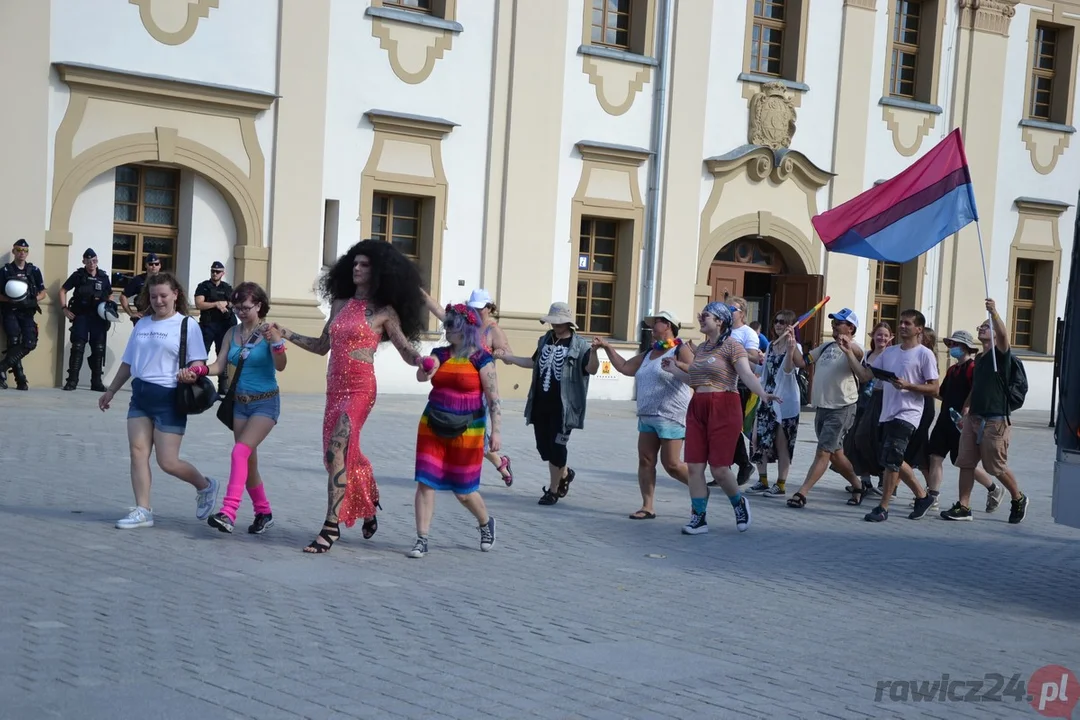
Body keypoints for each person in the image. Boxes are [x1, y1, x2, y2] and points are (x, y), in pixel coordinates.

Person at [275, 239, 428, 553]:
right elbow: (321, 347)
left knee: (337, 449)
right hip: (334, 387)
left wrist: (424, 361)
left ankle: (330, 528)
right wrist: (285, 332)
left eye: (365, 265)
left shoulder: (384, 312)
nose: (358, 269)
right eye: (355, 264)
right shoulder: (339, 304)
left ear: (379, 272)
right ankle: (369, 501)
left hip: (360, 388)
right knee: (343, 456)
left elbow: (405, 350)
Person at [97, 272, 219, 529]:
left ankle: (205, 485)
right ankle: (143, 510)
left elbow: (197, 362)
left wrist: (191, 372)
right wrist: (111, 391)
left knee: (168, 462)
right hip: (140, 396)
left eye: (164, 295)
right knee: (137, 453)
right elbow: (128, 362)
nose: (159, 301)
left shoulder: (187, 325)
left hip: (169, 398)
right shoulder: (142, 324)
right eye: (153, 296)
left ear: (176, 294)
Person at [660, 302, 779, 535]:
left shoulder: (733, 346)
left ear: (719, 321)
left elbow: (745, 373)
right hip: (698, 407)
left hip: (724, 405)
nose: (700, 318)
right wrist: (674, 370)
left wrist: (762, 393)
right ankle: (698, 518)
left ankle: (739, 504)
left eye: (706, 315)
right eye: (700, 314)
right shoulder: (702, 348)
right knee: (694, 466)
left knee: (719, 469)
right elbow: (695, 382)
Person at [184, 282, 286, 535]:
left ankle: (228, 512)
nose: (241, 311)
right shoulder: (232, 332)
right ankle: (264, 512)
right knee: (248, 462)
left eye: (246, 307)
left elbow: (281, 365)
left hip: (265, 402)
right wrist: (201, 370)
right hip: (240, 404)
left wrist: (277, 344)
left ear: (259, 306)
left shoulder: (269, 331)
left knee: (239, 453)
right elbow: (220, 365)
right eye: (237, 307)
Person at [407, 303, 501, 558]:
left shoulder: (482, 359)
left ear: (466, 330)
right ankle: (422, 538)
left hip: (468, 430)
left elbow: (493, 398)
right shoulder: (440, 353)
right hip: (432, 425)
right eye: (446, 325)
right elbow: (423, 376)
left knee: (464, 491)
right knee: (426, 483)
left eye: (451, 326)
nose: (446, 330)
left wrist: (496, 432)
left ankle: (485, 523)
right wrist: (424, 367)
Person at [495, 301, 600, 506]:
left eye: (558, 322)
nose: (554, 325)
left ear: (568, 323)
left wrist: (595, 352)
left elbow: (592, 369)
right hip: (541, 404)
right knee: (544, 448)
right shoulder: (544, 340)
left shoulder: (580, 346)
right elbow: (533, 362)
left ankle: (552, 491)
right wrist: (509, 358)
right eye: (552, 322)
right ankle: (565, 473)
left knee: (557, 448)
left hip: (564, 408)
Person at [593, 310, 693, 519]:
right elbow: (624, 367)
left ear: (668, 326)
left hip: (671, 414)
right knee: (646, 460)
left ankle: (700, 490)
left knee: (672, 465)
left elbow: (695, 372)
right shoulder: (649, 353)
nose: (652, 325)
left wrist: (678, 365)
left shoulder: (679, 349)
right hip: (647, 415)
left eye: (657, 322)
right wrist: (607, 347)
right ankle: (647, 506)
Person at [844, 309, 938, 522]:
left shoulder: (925, 354)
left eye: (907, 323)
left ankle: (883, 507)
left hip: (909, 413)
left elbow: (934, 388)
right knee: (891, 457)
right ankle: (923, 497)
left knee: (891, 459)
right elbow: (866, 375)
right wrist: (848, 352)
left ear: (919, 329)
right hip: (887, 412)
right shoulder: (890, 352)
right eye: (901, 322)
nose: (902, 326)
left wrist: (908, 386)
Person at [941, 301, 1030, 523]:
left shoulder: (1000, 355)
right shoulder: (980, 359)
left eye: (985, 326)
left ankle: (1018, 498)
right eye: (980, 326)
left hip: (996, 418)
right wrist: (967, 407)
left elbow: (1003, 336)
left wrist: (994, 313)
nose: (981, 329)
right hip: (974, 417)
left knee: (994, 466)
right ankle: (963, 506)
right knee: (966, 462)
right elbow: (976, 387)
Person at [422, 287, 513, 485]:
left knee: (476, 436)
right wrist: (422, 294)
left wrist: (500, 353)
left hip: (477, 389)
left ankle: (496, 465)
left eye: (480, 308)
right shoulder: (462, 323)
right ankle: (500, 464)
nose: (477, 311)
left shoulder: (493, 330)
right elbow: (439, 311)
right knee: (471, 435)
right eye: (473, 308)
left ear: (489, 307)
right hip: (457, 386)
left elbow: (507, 353)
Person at [787, 309, 867, 508]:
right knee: (835, 453)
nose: (834, 325)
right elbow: (801, 362)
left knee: (823, 452)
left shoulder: (856, 348)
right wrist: (792, 341)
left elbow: (858, 358)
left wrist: (848, 348)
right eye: (834, 321)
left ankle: (802, 493)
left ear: (851, 327)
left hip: (842, 408)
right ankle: (858, 485)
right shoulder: (826, 347)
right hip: (822, 407)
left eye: (839, 322)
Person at [924, 329, 1003, 514]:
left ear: (966, 347)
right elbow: (942, 393)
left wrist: (966, 412)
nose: (952, 348)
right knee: (935, 456)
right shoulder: (952, 369)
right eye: (951, 344)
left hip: (962, 423)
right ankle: (933, 496)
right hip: (944, 419)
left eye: (956, 344)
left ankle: (994, 488)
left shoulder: (973, 368)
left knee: (963, 463)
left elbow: (976, 392)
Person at [748, 309, 802, 498]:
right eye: (776, 321)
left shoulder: (796, 347)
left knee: (782, 443)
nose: (778, 325)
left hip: (785, 401)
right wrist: (744, 361)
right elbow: (764, 371)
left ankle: (780, 484)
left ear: (790, 325)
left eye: (782, 322)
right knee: (757, 439)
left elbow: (788, 371)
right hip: (767, 396)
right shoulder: (771, 345)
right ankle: (762, 480)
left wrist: (790, 350)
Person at [844, 321, 894, 497]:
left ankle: (885, 480)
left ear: (891, 338)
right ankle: (864, 480)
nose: (882, 338)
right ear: (873, 336)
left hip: (881, 402)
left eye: (885, 335)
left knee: (876, 441)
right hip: (862, 401)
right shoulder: (867, 354)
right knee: (856, 441)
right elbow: (858, 375)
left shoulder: (891, 355)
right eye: (879, 334)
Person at [59, 248, 113, 392]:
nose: (92, 264)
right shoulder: (78, 276)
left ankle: (96, 382)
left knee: (98, 348)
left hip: (98, 318)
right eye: (88, 261)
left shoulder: (103, 277)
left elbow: (109, 295)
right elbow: (63, 290)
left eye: (94, 261)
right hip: (81, 316)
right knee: (77, 347)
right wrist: (64, 308)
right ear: (84, 262)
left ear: (97, 261)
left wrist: (109, 308)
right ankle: (72, 381)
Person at [0, 239, 47, 390]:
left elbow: (43, 293)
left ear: (28, 253)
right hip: (10, 311)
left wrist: (32, 300)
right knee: (14, 341)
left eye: (25, 250)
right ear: (14, 251)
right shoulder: (5, 271)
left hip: (27, 313)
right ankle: (20, 379)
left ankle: (1, 367)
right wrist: (10, 300)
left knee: (30, 342)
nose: (22, 253)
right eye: (19, 250)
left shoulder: (34, 271)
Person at [726, 297, 762, 487]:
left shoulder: (748, 333)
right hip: (721, 382)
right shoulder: (723, 330)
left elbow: (755, 358)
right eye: (727, 307)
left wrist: (736, 349)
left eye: (732, 308)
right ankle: (723, 469)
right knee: (721, 428)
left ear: (742, 313)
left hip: (740, 383)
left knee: (733, 427)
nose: (729, 311)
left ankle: (744, 463)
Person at [194, 261, 237, 394]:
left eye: (217, 271)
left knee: (222, 354)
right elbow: (199, 304)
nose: (214, 273)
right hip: (208, 325)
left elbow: (235, 303)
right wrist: (216, 304)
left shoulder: (227, 288)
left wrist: (226, 304)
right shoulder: (204, 286)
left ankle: (223, 386)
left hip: (223, 326)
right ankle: (197, 382)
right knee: (202, 354)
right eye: (213, 271)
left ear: (223, 273)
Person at [120, 254, 161, 326]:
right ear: (146, 265)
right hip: (143, 317)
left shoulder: (165, 280)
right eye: (151, 264)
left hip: (160, 317)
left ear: (160, 266)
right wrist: (131, 313)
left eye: (156, 264)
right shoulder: (138, 280)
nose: (154, 266)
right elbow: (123, 296)